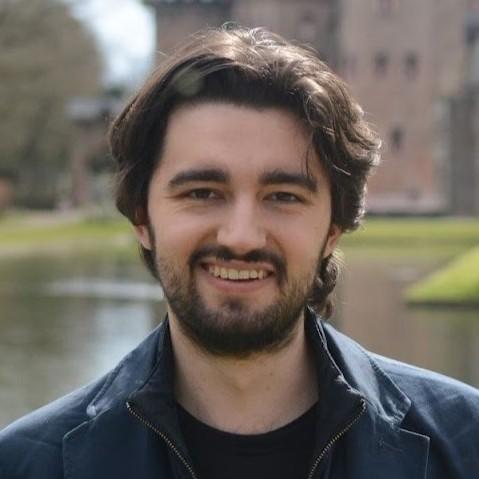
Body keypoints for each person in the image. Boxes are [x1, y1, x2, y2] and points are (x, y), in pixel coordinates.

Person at [1, 25, 478, 479]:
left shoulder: (466, 445)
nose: (242, 237)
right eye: (202, 193)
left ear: (333, 228)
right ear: (142, 217)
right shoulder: (27, 465)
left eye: (283, 196)